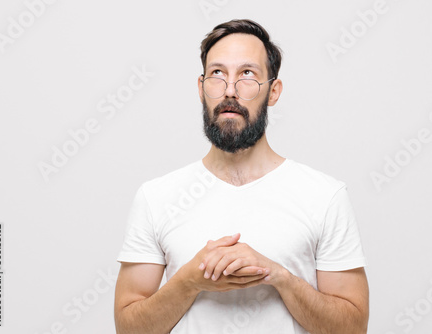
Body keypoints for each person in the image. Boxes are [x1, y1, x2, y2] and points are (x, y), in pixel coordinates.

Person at [114, 19, 369, 334]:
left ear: (273, 91)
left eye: (247, 74)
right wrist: (189, 282)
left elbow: (353, 328)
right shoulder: (156, 197)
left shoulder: (325, 196)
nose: (230, 90)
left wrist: (278, 276)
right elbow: (128, 328)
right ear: (201, 87)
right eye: (217, 74)